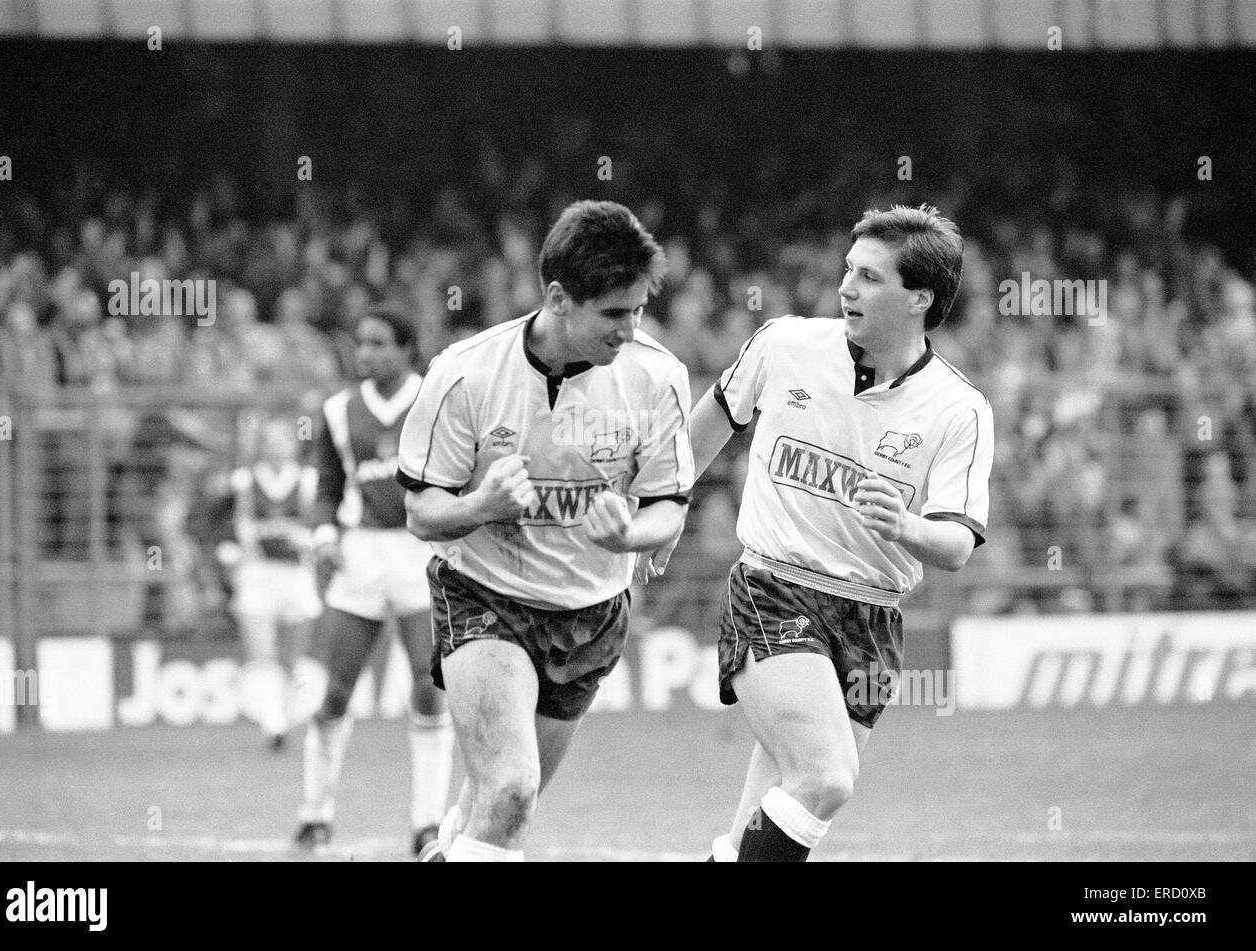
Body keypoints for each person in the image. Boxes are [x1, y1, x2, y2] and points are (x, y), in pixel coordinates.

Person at [647, 204, 994, 861]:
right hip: (773, 593)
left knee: (764, 813)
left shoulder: (959, 409)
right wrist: (665, 501)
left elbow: (954, 547)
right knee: (826, 776)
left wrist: (905, 524)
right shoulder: (786, 344)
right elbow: (713, 421)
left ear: (919, 297)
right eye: (848, 270)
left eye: (869, 276)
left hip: (871, 620)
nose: (846, 287)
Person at [395, 200, 693, 862]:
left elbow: (670, 508)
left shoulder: (657, 377)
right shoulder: (466, 372)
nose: (631, 328)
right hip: (484, 595)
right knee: (512, 792)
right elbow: (421, 512)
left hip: (590, 613)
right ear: (558, 297)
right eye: (614, 313)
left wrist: (630, 534)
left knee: (488, 807)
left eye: (640, 308)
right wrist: (479, 506)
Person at [294, 305, 452, 856]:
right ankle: (314, 814)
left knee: (429, 687)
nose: (367, 353)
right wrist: (323, 539)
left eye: (380, 343)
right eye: (361, 343)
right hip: (360, 557)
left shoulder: (434, 399)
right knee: (334, 691)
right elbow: (325, 492)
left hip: (418, 554)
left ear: (408, 349)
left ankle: (427, 824)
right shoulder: (337, 411)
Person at [229, 414, 322, 749]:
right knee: (262, 654)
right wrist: (252, 540)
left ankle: (287, 712)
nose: (276, 446)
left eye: (283, 439)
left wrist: (301, 539)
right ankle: (274, 723)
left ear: (294, 444)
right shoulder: (246, 481)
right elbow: (241, 527)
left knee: (292, 658)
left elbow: (317, 527)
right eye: (269, 440)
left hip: (297, 576)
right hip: (258, 574)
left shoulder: (309, 480)